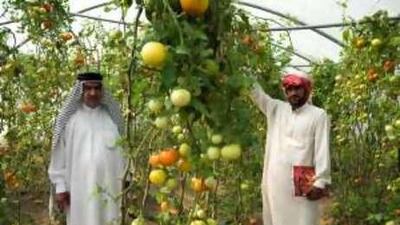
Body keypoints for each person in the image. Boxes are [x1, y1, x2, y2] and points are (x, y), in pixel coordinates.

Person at [250, 71, 331, 225]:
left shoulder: (318, 115)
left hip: (303, 181)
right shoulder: (276, 109)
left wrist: (321, 182)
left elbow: (322, 149)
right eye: (289, 89)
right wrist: (244, 72)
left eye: (297, 89)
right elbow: (256, 94)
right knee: (278, 219)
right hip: (276, 180)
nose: (293, 93)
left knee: (304, 220)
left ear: (306, 89)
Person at [48, 72, 125, 225]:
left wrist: (127, 177)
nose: (92, 93)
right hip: (78, 187)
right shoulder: (70, 119)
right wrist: (60, 186)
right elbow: (59, 155)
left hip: (110, 185)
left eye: (96, 88)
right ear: (80, 91)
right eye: (88, 88)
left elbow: (124, 150)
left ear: (102, 91)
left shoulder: (112, 118)